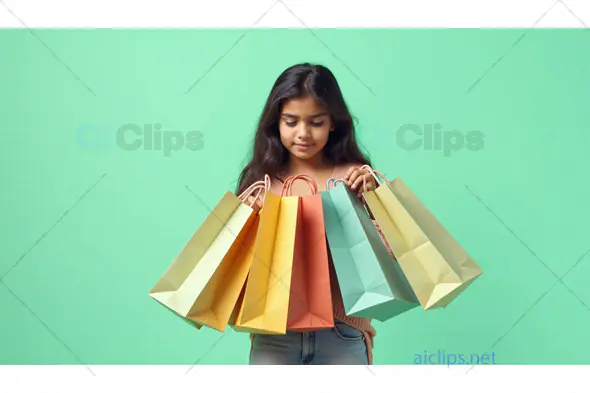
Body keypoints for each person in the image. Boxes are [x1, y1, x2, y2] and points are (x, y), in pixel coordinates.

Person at [235, 62, 379, 365]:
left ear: (334, 123)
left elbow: (392, 260)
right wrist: (251, 215)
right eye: (291, 121)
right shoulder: (263, 183)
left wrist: (377, 198)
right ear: (276, 123)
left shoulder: (354, 178)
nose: (303, 133)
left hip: (342, 333)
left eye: (316, 122)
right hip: (275, 337)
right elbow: (238, 269)